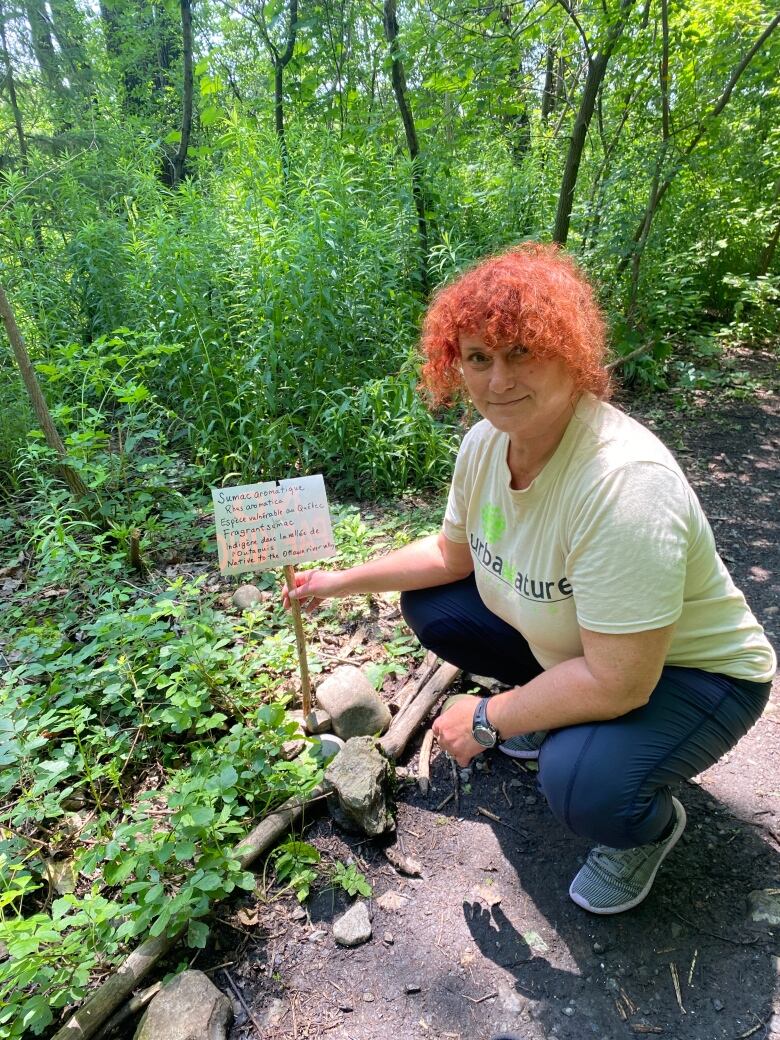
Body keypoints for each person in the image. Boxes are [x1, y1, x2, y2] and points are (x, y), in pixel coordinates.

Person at [283, 243, 776, 915]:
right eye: (478, 358)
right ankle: (558, 715)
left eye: (520, 352)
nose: (495, 380)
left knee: (577, 781)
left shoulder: (623, 484)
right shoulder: (487, 443)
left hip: (695, 675)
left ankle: (644, 830)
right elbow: (451, 556)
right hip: (588, 643)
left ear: (569, 354)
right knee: (434, 604)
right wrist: (337, 581)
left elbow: (621, 680)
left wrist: (490, 717)